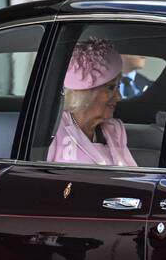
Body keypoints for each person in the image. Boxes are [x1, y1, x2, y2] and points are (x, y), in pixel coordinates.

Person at [46, 38, 136, 166]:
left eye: (118, 87)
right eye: (111, 88)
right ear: (85, 94)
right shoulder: (53, 131)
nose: (118, 97)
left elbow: (130, 175)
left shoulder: (115, 129)